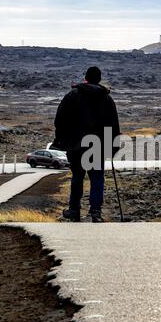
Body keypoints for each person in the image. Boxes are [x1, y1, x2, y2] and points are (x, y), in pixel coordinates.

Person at [53, 66, 120, 222]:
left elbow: (60, 120)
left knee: (77, 177)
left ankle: (74, 210)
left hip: (76, 146)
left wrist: (62, 140)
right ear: (99, 79)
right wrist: (112, 148)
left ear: (86, 78)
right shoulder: (107, 99)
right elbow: (113, 126)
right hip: (98, 147)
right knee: (97, 179)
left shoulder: (72, 96)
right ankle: (95, 212)